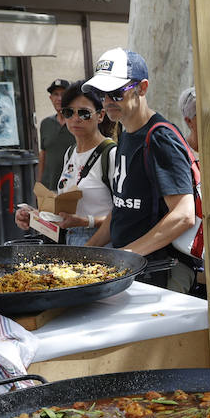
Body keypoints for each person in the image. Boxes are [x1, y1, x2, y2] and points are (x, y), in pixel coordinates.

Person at [84, 47, 197, 293]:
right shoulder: (125, 133)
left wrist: (126, 255)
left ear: (142, 88)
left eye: (115, 92)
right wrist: (87, 254)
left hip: (159, 272)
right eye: (102, 94)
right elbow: (123, 207)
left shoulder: (160, 137)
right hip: (134, 270)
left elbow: (184, 214)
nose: (107, 101)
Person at [14, 83, 116, 246]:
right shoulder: (70, 153)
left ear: (101, 115)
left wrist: (85, 222)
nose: (76, 119)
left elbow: (124, 214)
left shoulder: (111, 154)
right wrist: (33, 217)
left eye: (84, 113)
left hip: (104, 244)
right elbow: (64, 217)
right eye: (68, 112)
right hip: (71, 241)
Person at [37, 78, 76, 191]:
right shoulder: (46, 123)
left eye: (63, 94)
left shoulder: (78, 122)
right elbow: (43, 154)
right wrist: (39, 185)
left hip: (72, 187)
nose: (59, 98)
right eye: (55, 94)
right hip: (49, 186)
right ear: (50, 98)